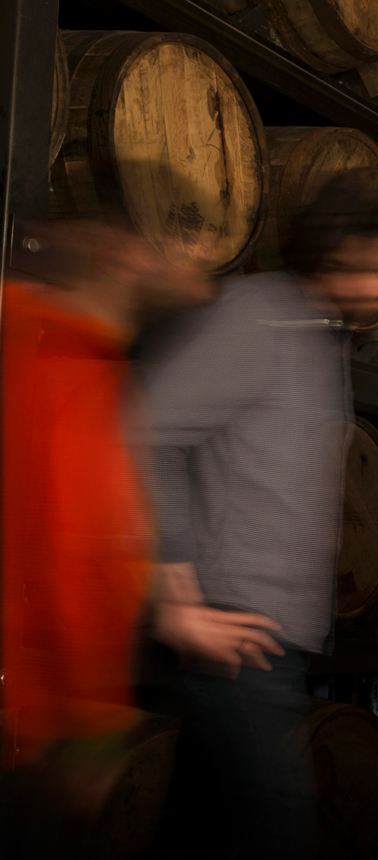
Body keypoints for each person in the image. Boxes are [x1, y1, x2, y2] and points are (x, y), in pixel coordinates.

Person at [142, 171, 378, 859]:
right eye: (373, 268)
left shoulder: (321, 336)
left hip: (270, 646)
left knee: (198, 833)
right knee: (278, 834)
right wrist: (176, 602)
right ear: (332, 258)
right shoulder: (254, 318)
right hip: (232, 640)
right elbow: (145, 429)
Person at [1, 216, 209, 852]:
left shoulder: (23, 348)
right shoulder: (77, 371)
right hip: (36, 723)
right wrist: (90, 728)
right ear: (109, 265)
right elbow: (75, 560)